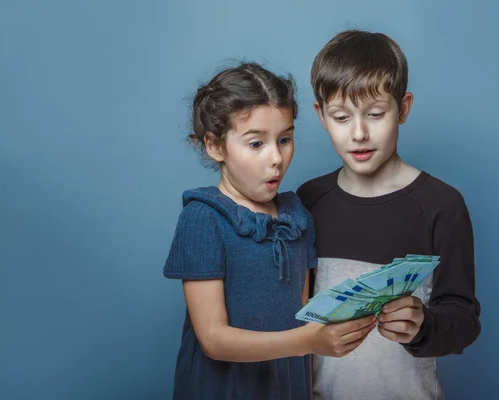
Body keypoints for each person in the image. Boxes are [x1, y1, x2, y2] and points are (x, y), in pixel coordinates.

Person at [163, 62, 376, 400]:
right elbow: (214, 340)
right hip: (223, 388)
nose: (276, 157)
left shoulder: (297, 217)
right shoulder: (203, 218)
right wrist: (307, 341)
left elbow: (305, 315)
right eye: (255, 143)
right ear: (216, 146)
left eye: (285, 139)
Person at [297, 30, 482, 400]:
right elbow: (296, 313)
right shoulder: (308, 200)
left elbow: (464, 319)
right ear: (321, 116)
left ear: (404, 107)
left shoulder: (443, 205)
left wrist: (423, 324)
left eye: (376, 114)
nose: (359, 133)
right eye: (341, 117)